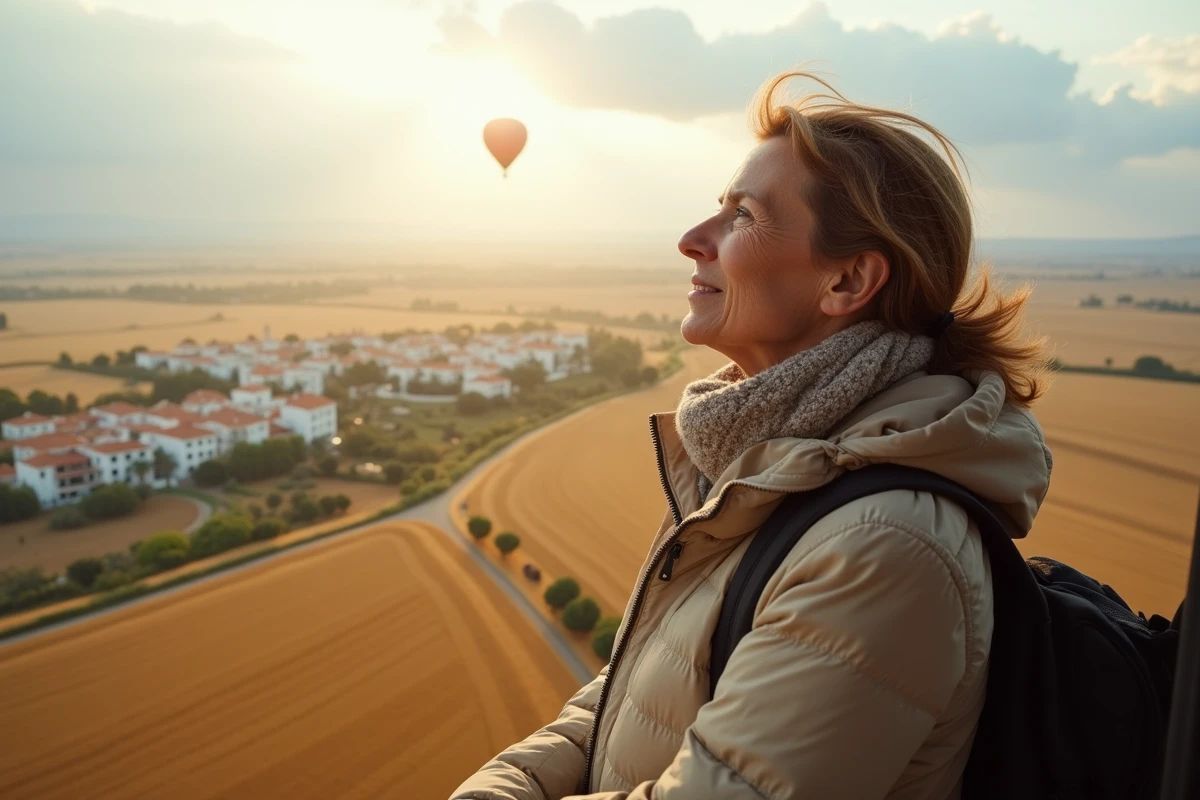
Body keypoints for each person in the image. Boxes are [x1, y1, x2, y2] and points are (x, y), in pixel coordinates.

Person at [453, 71, 1052, 800]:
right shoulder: (766, 467)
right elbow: (637, 693)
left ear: (847, 281)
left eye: (741, 216)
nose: (690, 240)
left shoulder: (885, 543)